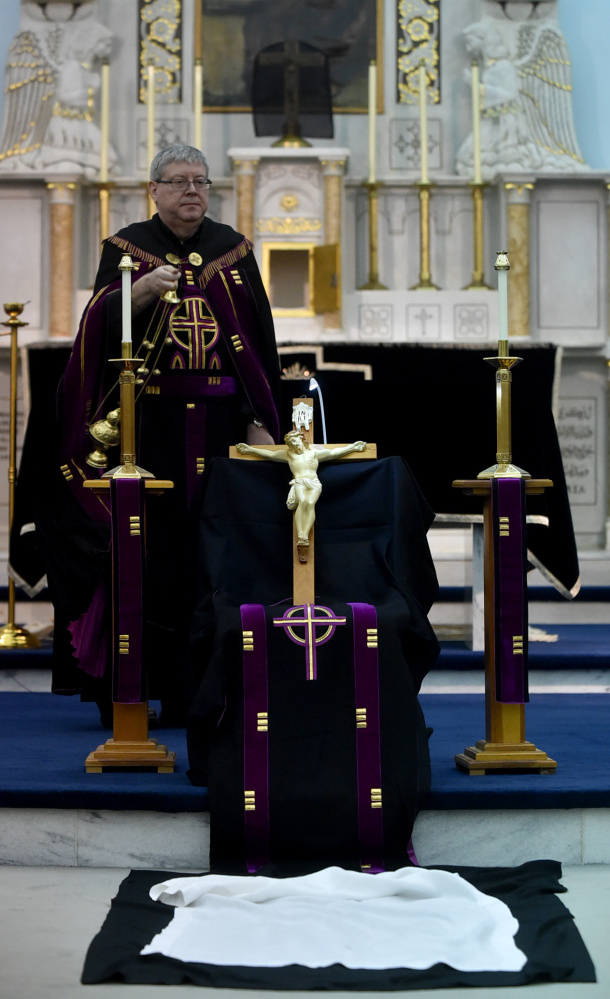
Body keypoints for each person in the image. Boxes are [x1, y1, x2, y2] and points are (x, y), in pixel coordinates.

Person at [17, 143, 281, 726]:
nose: (192, 191)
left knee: (209, 556)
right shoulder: (126, 248)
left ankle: (200, 694)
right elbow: (96, 327)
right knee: (139, 551)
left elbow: (258, 339)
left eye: (201, 182)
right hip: (145, 428)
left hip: (216, 429)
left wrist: (262, 417)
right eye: (179, 181)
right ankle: (130, 688)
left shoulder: (232, 251)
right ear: (154, 190)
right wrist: (133, 293)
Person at [236, 432, 367, 547]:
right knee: (303, 501)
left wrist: (353, 447)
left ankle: (305, 533)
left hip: (314, 483)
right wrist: (250, 450)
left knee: (310, 504)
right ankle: (301, 534)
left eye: (294, 440)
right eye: (290, 443)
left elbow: (334, 453)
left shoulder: (314, 453)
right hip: (299, 482)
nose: (293, 444)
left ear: (300, 439)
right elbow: (270, 454)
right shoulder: (289, 455)